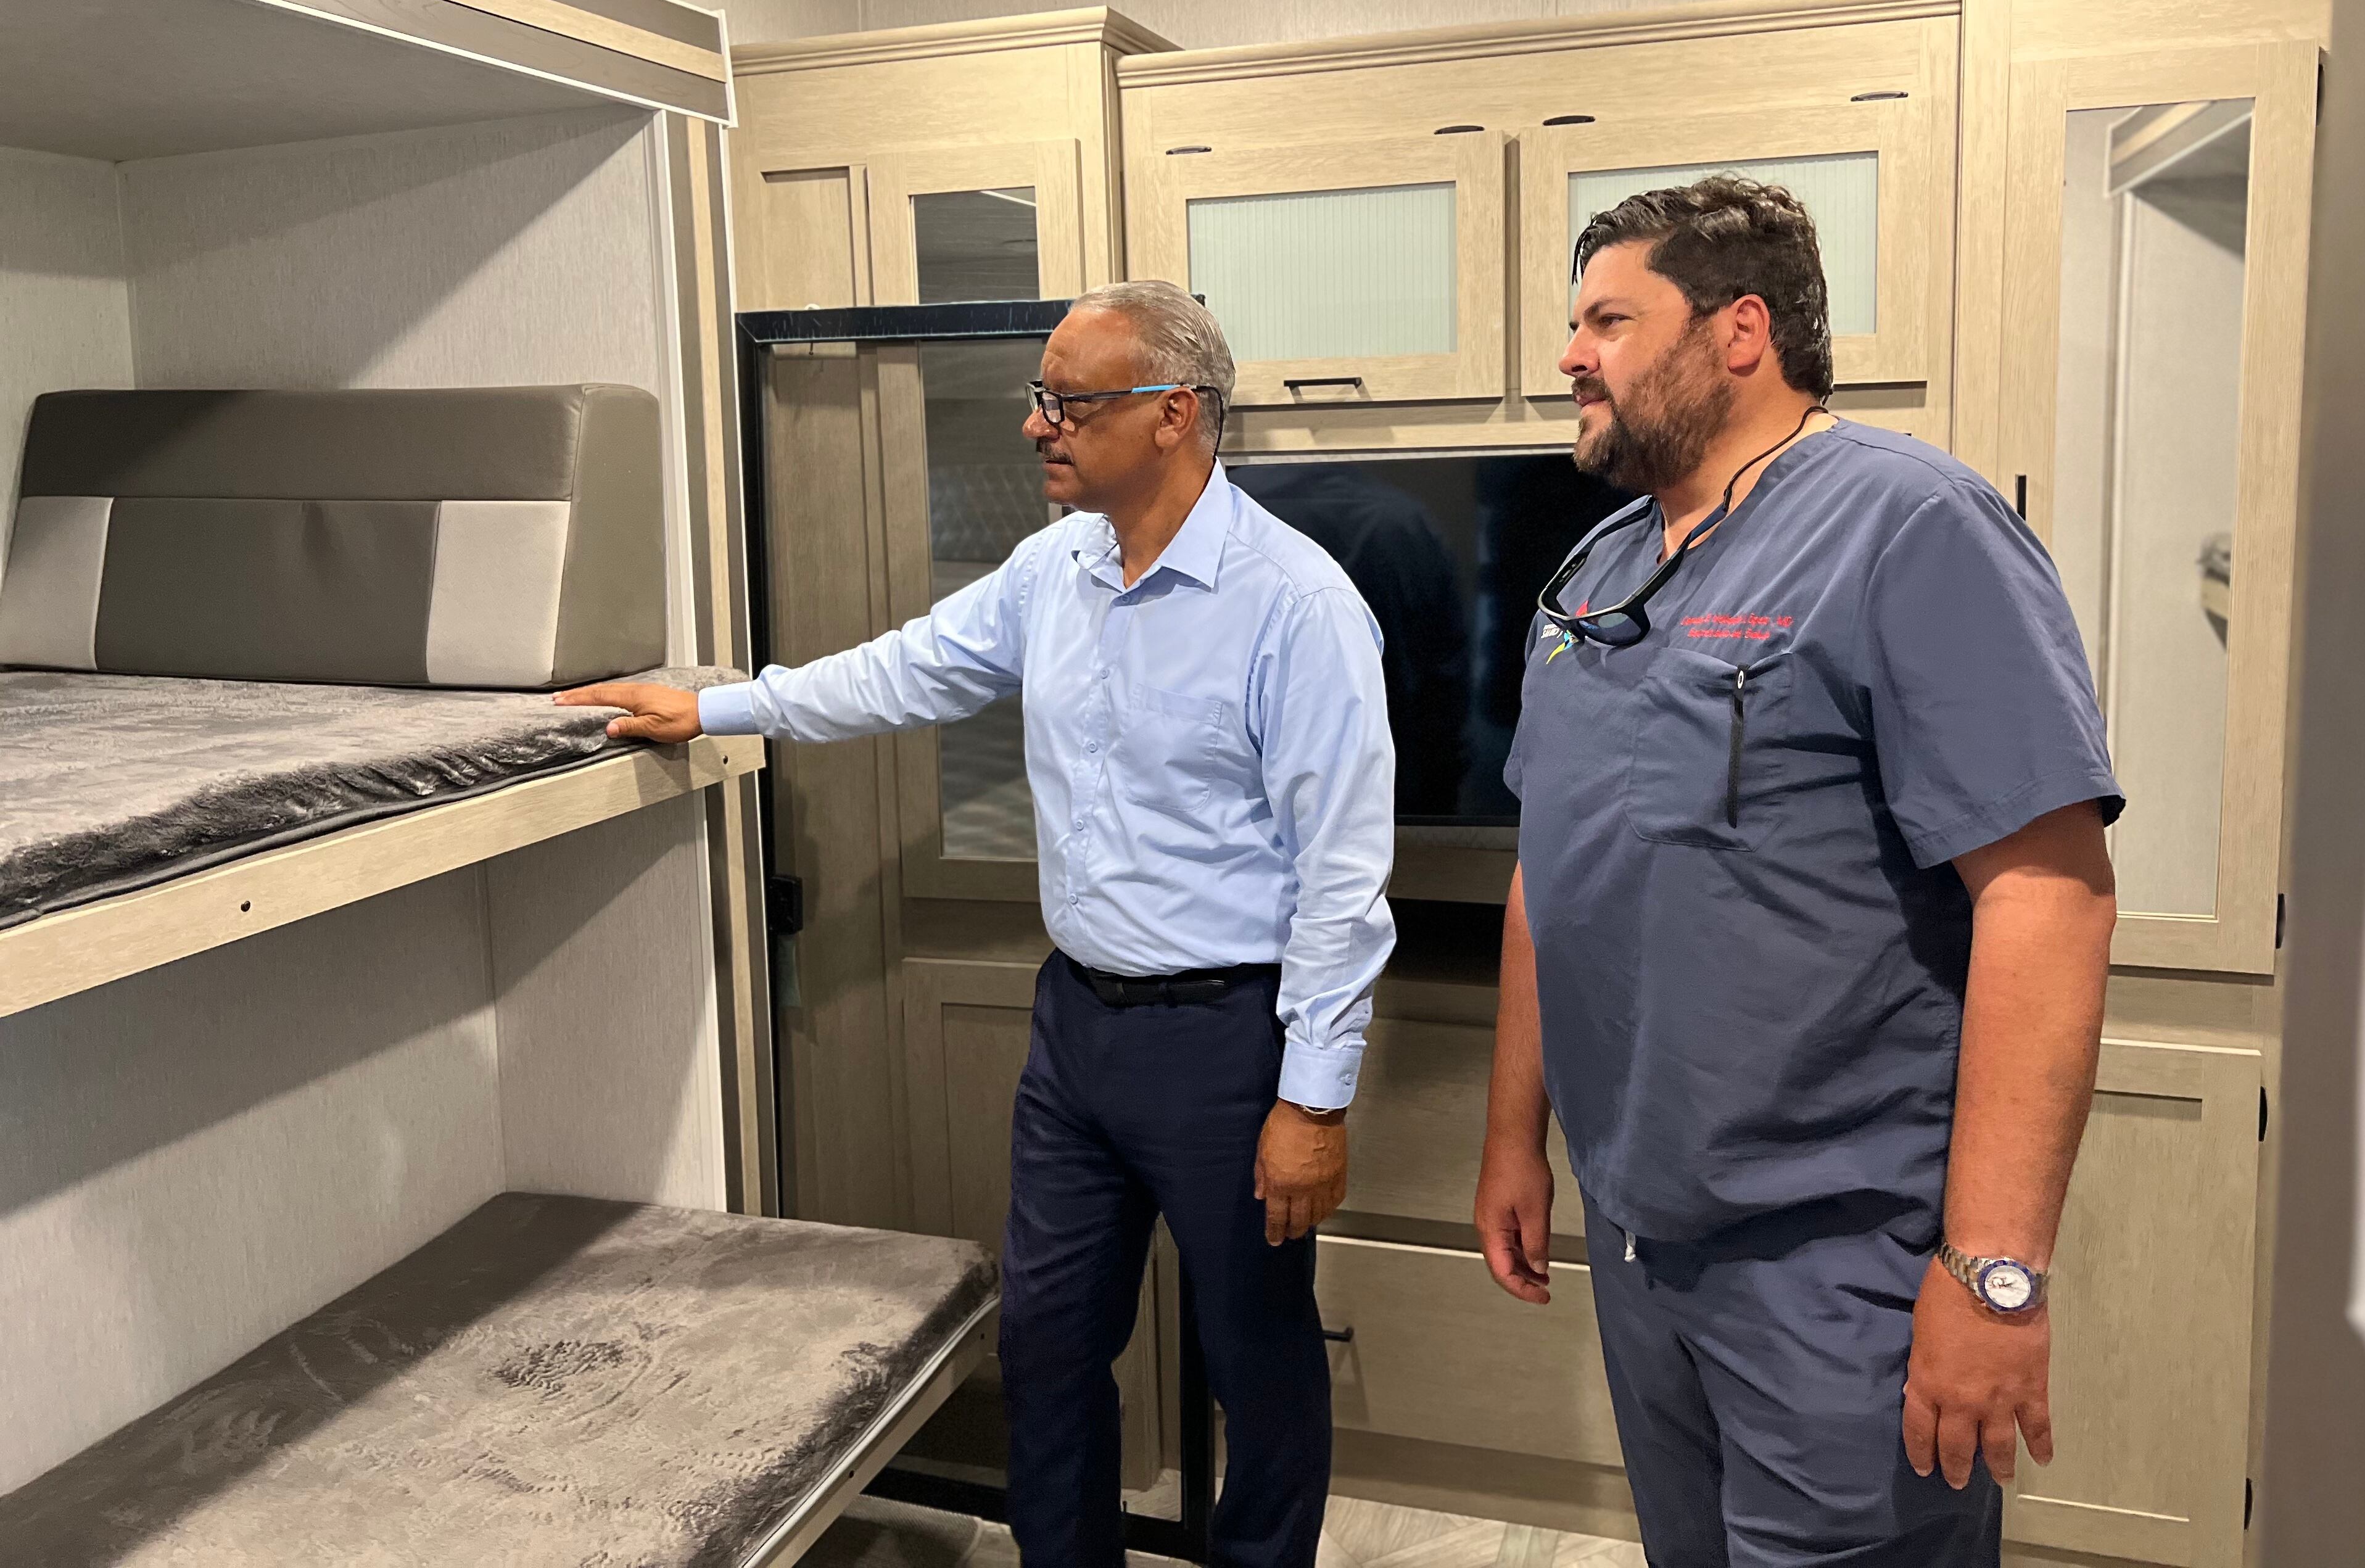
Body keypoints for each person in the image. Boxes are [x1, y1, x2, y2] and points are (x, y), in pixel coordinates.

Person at [561, 281, 1394, 1568]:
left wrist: (1315, 1101)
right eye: (1038, 398)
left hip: (1231, 1041)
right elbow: (907, 669)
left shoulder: (1296, 604)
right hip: (1077, 1033)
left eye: (1070, 403)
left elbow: (1341, 874)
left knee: (1259, 1361)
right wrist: (724, 708)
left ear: (1175, 414)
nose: (1036, 426)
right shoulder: (1054, 570)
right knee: (1045, 1345)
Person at [1471, 178, 2121, 1568]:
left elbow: (2048, 896)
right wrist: (1514, 1136)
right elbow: (1551, 866)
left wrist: (1993, 1278)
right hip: (1642, 1243)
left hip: (1841, 1269)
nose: (1571, 356)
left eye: (1608, 322)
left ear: (1740, 331)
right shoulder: (1594, 575)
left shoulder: (1912, 527)